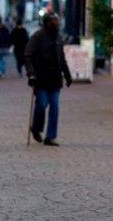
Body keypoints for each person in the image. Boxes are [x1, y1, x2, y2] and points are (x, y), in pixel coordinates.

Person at [25, 13, 72, 146]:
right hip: (41, 78)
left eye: (57, 20)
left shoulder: (58, 37)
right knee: (42, 104)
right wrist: (31, 74)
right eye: (54, 21)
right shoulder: (38, 36)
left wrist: (67, 74)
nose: (57, 23)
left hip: (55, 78)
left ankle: (50, 136)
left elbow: (61, 58)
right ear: (47, 22)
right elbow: (28, 55)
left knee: (55, 107)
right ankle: (36, 128)